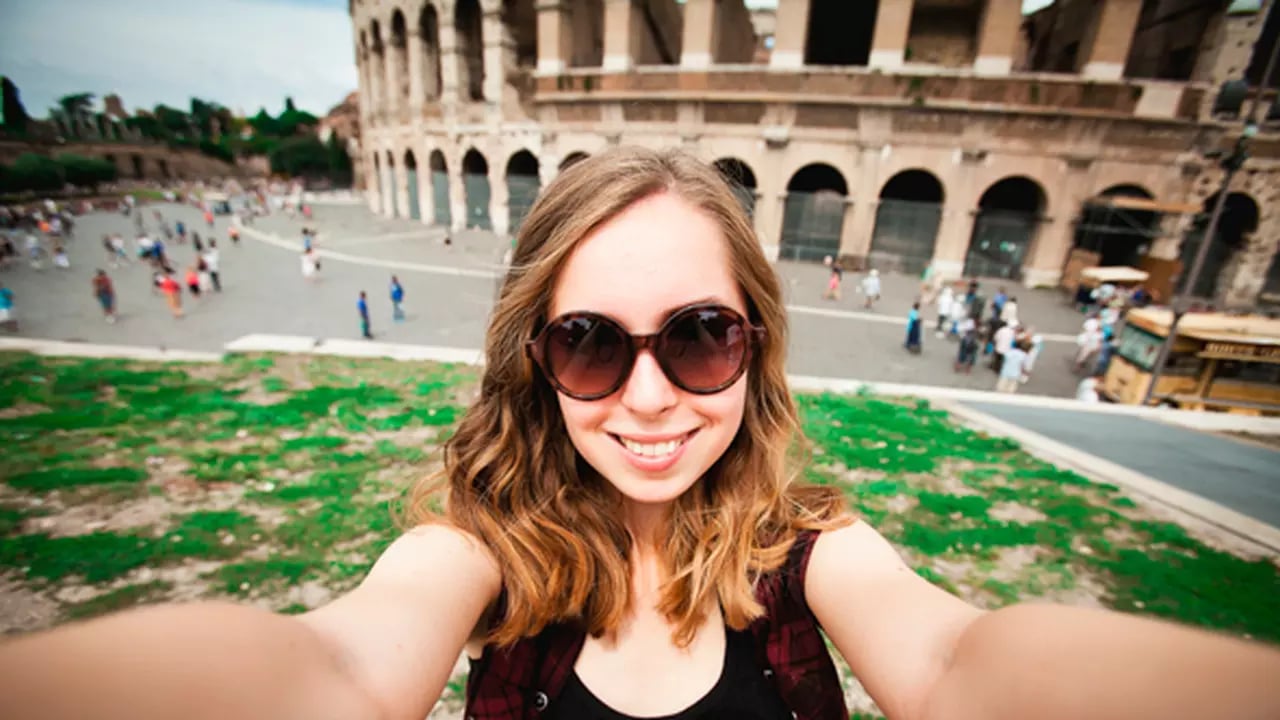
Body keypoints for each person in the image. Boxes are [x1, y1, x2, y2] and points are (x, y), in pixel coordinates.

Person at [3, 148, 1279, 720]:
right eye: (590, 343)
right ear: (535, 361)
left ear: (755, 345)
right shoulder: (480, 550)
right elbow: (334, 668)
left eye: (700, 335)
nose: (653, 396)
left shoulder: (807, 548)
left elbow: (956, 663)